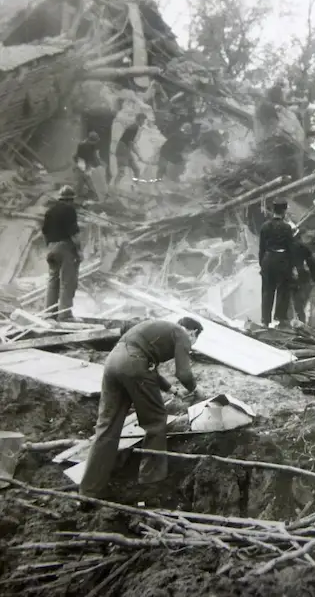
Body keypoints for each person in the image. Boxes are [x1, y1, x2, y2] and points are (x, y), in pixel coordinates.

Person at [79, 317, 203, 501]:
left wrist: (172, 389)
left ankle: (89, 492)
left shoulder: (159, 329)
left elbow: (147, 364)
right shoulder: (182, 333)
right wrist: (195, 389)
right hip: (134, 363)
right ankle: (150, 485)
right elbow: (183, 372)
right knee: (155, 421)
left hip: (114, 361)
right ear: (193, 332)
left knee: (107, 427)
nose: (191, 344)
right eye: (195, 340)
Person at [41, 185, 81, 321]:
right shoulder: (70, 210)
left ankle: (48, 314)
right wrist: (79, 251)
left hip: (51, 248)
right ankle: (65, 315)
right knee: (67, 282)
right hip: (64, 248)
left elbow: (44, 232)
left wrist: (50, 246)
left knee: (53, 281)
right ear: (70, 199)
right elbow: (74, 234)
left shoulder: (50, 211)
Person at [259, 199, 294, 327]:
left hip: (267, 259)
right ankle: (280, 319)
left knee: (267, 290)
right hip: (282, 259)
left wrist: (261, 265)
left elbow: (261, 248)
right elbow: (291, 248)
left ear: (273, 211)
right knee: (282, 290)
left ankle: (265, 321)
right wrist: (291, 266)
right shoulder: (287, 227)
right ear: (284, 211)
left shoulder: (265, 226)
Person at [289, 227, 315, 322]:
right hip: (301, 276)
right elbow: (312, 263)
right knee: (300, 302)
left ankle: (291, 321)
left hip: (289, 276)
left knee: (294, 302)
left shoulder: (285, 246)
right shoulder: (302, 246)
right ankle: (301, 321)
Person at [113, 113, 147, 186]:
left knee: (136, 170)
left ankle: (135, 186)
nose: (144, 122)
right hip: (122, 150)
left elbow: (130, 143)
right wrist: (138, 155)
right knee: (121, 172)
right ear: (139, 119)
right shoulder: (134, 127)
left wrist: (137, 155)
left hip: (126, 150)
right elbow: (130, 143)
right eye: (143, 120)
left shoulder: (134, 127)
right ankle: (115, 187)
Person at [74, 132, 102, 198]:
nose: (95, 143)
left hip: (88, 162)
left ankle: (81, 192)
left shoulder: (92, 145)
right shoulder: (81, 145)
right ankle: (90, 193)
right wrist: (84, 166)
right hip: (82, 161)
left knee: (85, 178)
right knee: (86, 177)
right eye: (94, 141)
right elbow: (79, 156)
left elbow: (94, 155)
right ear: (90, 140)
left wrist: (98, 163)